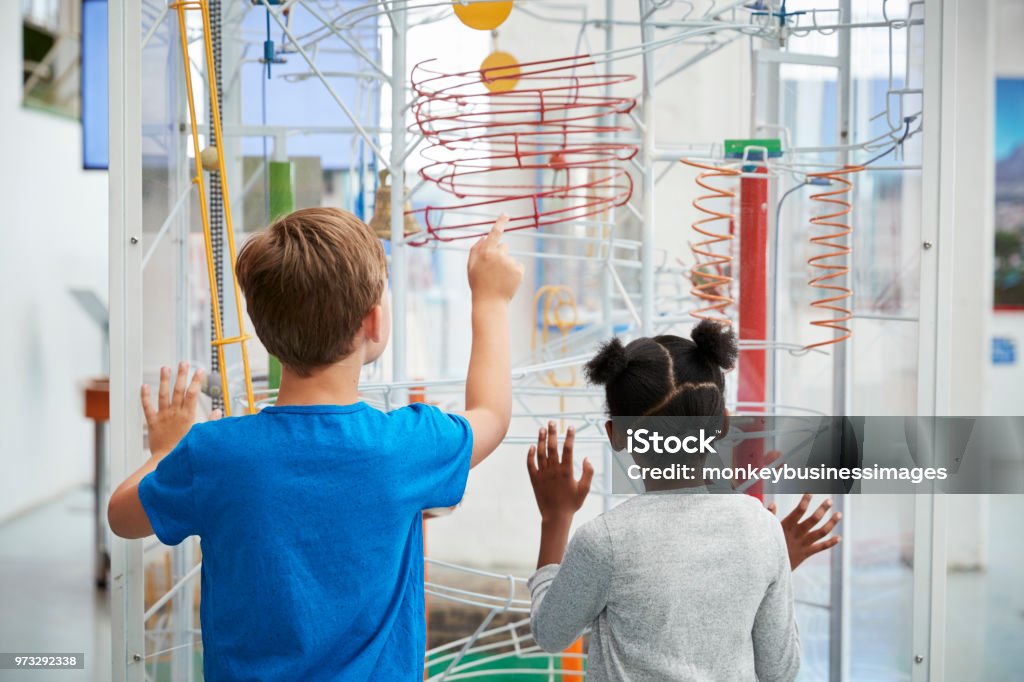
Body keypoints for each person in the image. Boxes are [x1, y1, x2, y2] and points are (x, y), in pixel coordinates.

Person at [108, 208, 523, 681]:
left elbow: (121, 517)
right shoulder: (403, 448)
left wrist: (165, 449)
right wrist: (490, 300)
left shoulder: (215, 454)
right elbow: (491, 414)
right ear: (373, 322)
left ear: (263, 327)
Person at [526, 320, 841, 681]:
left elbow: (550, 634)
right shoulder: (763, 532)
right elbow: (779, 672)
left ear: (615, 435)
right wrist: (775, 565)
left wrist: (555, 518)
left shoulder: (604, 542)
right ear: (722, 425)